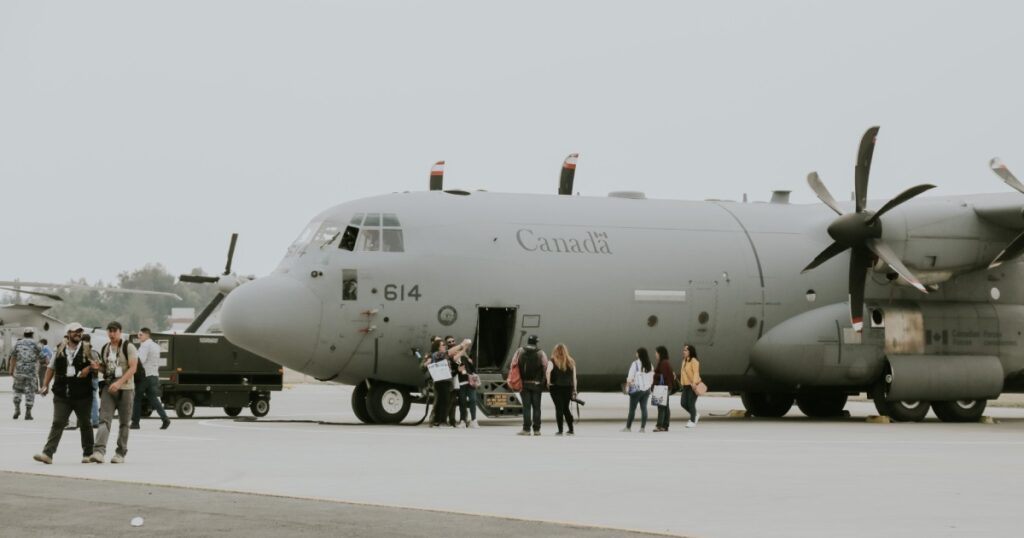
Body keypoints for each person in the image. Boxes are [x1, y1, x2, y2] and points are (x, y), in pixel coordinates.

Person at [34, 323, 98, 464]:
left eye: (80, 332)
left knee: (85, 424)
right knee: (58, 422)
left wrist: (90, 368)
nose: (78, 334)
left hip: (82, 394)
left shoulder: (88, 349)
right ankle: (47, 454)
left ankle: (88, 454)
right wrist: (45, 385)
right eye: (75, 331)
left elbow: (97, 367)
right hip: (62, 394)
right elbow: (51, 368)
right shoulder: (59, 349)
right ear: (68, 333)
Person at [89, 321, 138, 464]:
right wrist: (98, 368)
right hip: (109, 388)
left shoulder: (128, 347)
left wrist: (119, 382)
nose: (111, 334)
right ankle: (99, 451)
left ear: (120, 331)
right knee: (104, 419)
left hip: (126, 389)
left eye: (114, 331)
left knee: (124, 423)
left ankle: (120, 453)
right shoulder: (105, 348)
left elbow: (133, 368)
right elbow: (106, 369)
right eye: (109, 331)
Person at [131, 328, 171, 430]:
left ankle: (135, 423)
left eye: (140, 335)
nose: (138, 337)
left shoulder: (145, 345)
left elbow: (141, 360)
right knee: (153, 399)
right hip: (154, 375)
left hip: (144, 376)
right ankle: (165, 419)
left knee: (137, 399)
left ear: (146, 335)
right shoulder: (156, 346)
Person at [508, 334, 548, 436]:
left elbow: (513, 364)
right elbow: (546, 367)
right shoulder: (541, 353)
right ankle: (537, 430)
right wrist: (543, 381)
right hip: (537, 384)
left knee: (526, 407)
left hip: (524, 383)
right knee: (536, 407)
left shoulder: (519, 351)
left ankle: (526, 429)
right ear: (536, 342)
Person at [8, 328, 43, 420]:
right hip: (31, 371)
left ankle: (17, 409)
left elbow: (13, 357)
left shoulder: (17, 343)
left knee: (17, 390)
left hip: (19, 371)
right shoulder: (36, 344)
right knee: (30, 391)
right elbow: (43, 357)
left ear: (24, 334)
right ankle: (28, 412)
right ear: (32, 334)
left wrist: (11, 370)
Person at [546, 343, 578, 436]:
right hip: (568, 387)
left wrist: (548, 383)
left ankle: (560, 430)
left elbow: (548, 372)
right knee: (566, 408)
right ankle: (571, 429)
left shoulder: (552, 361)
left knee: (559, 408)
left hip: (555, 387)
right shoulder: (571, 361)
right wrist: (575, 389)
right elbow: (574, 377)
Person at [623, 347, 653, 432]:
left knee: (632, 409)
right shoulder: (649, 364)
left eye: (637, 353)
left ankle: (628, 427)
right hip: (646, 390)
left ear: (639, 354)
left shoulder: (635, 364)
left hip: (636, 390)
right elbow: (652, 377)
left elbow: (630, 377)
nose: (636, 354)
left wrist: (627, 386)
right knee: (644, 408)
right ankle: (642, 428)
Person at [452, 340, 479, 429]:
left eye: (457, 350)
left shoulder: (464, 358)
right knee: (462, 402)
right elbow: (456, 359)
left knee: (473, 400)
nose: (457, 351)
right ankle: (462, 420)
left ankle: (474, 420)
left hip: (470, 382)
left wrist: (470, 361)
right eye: (455, 351)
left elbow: (473, 370)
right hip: (460, 383)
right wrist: (465, 347)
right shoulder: (454, 360)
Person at [653, 345, 676, 432]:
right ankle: (665, 425)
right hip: (666, 387)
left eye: (656, 352)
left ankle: (659, 425)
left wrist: (655, 374)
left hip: (663, 388)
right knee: (665, 406)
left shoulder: (663, 363)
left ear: (660, 353)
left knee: (661, 407)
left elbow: (664, 376)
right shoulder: (665, 362)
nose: (655, 354)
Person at [680, 344, 702, 428]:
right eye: (683, 350)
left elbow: (696, 372)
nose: (684, 351)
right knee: (683, 403)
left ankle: (692, 420)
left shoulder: (694, 361)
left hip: (693, 385)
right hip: (686, 385)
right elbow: (683, 373)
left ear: (690, 351)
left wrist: (694, 383)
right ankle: (695, 414)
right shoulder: (684, 360)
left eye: (685, 350)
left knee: (691, 403)